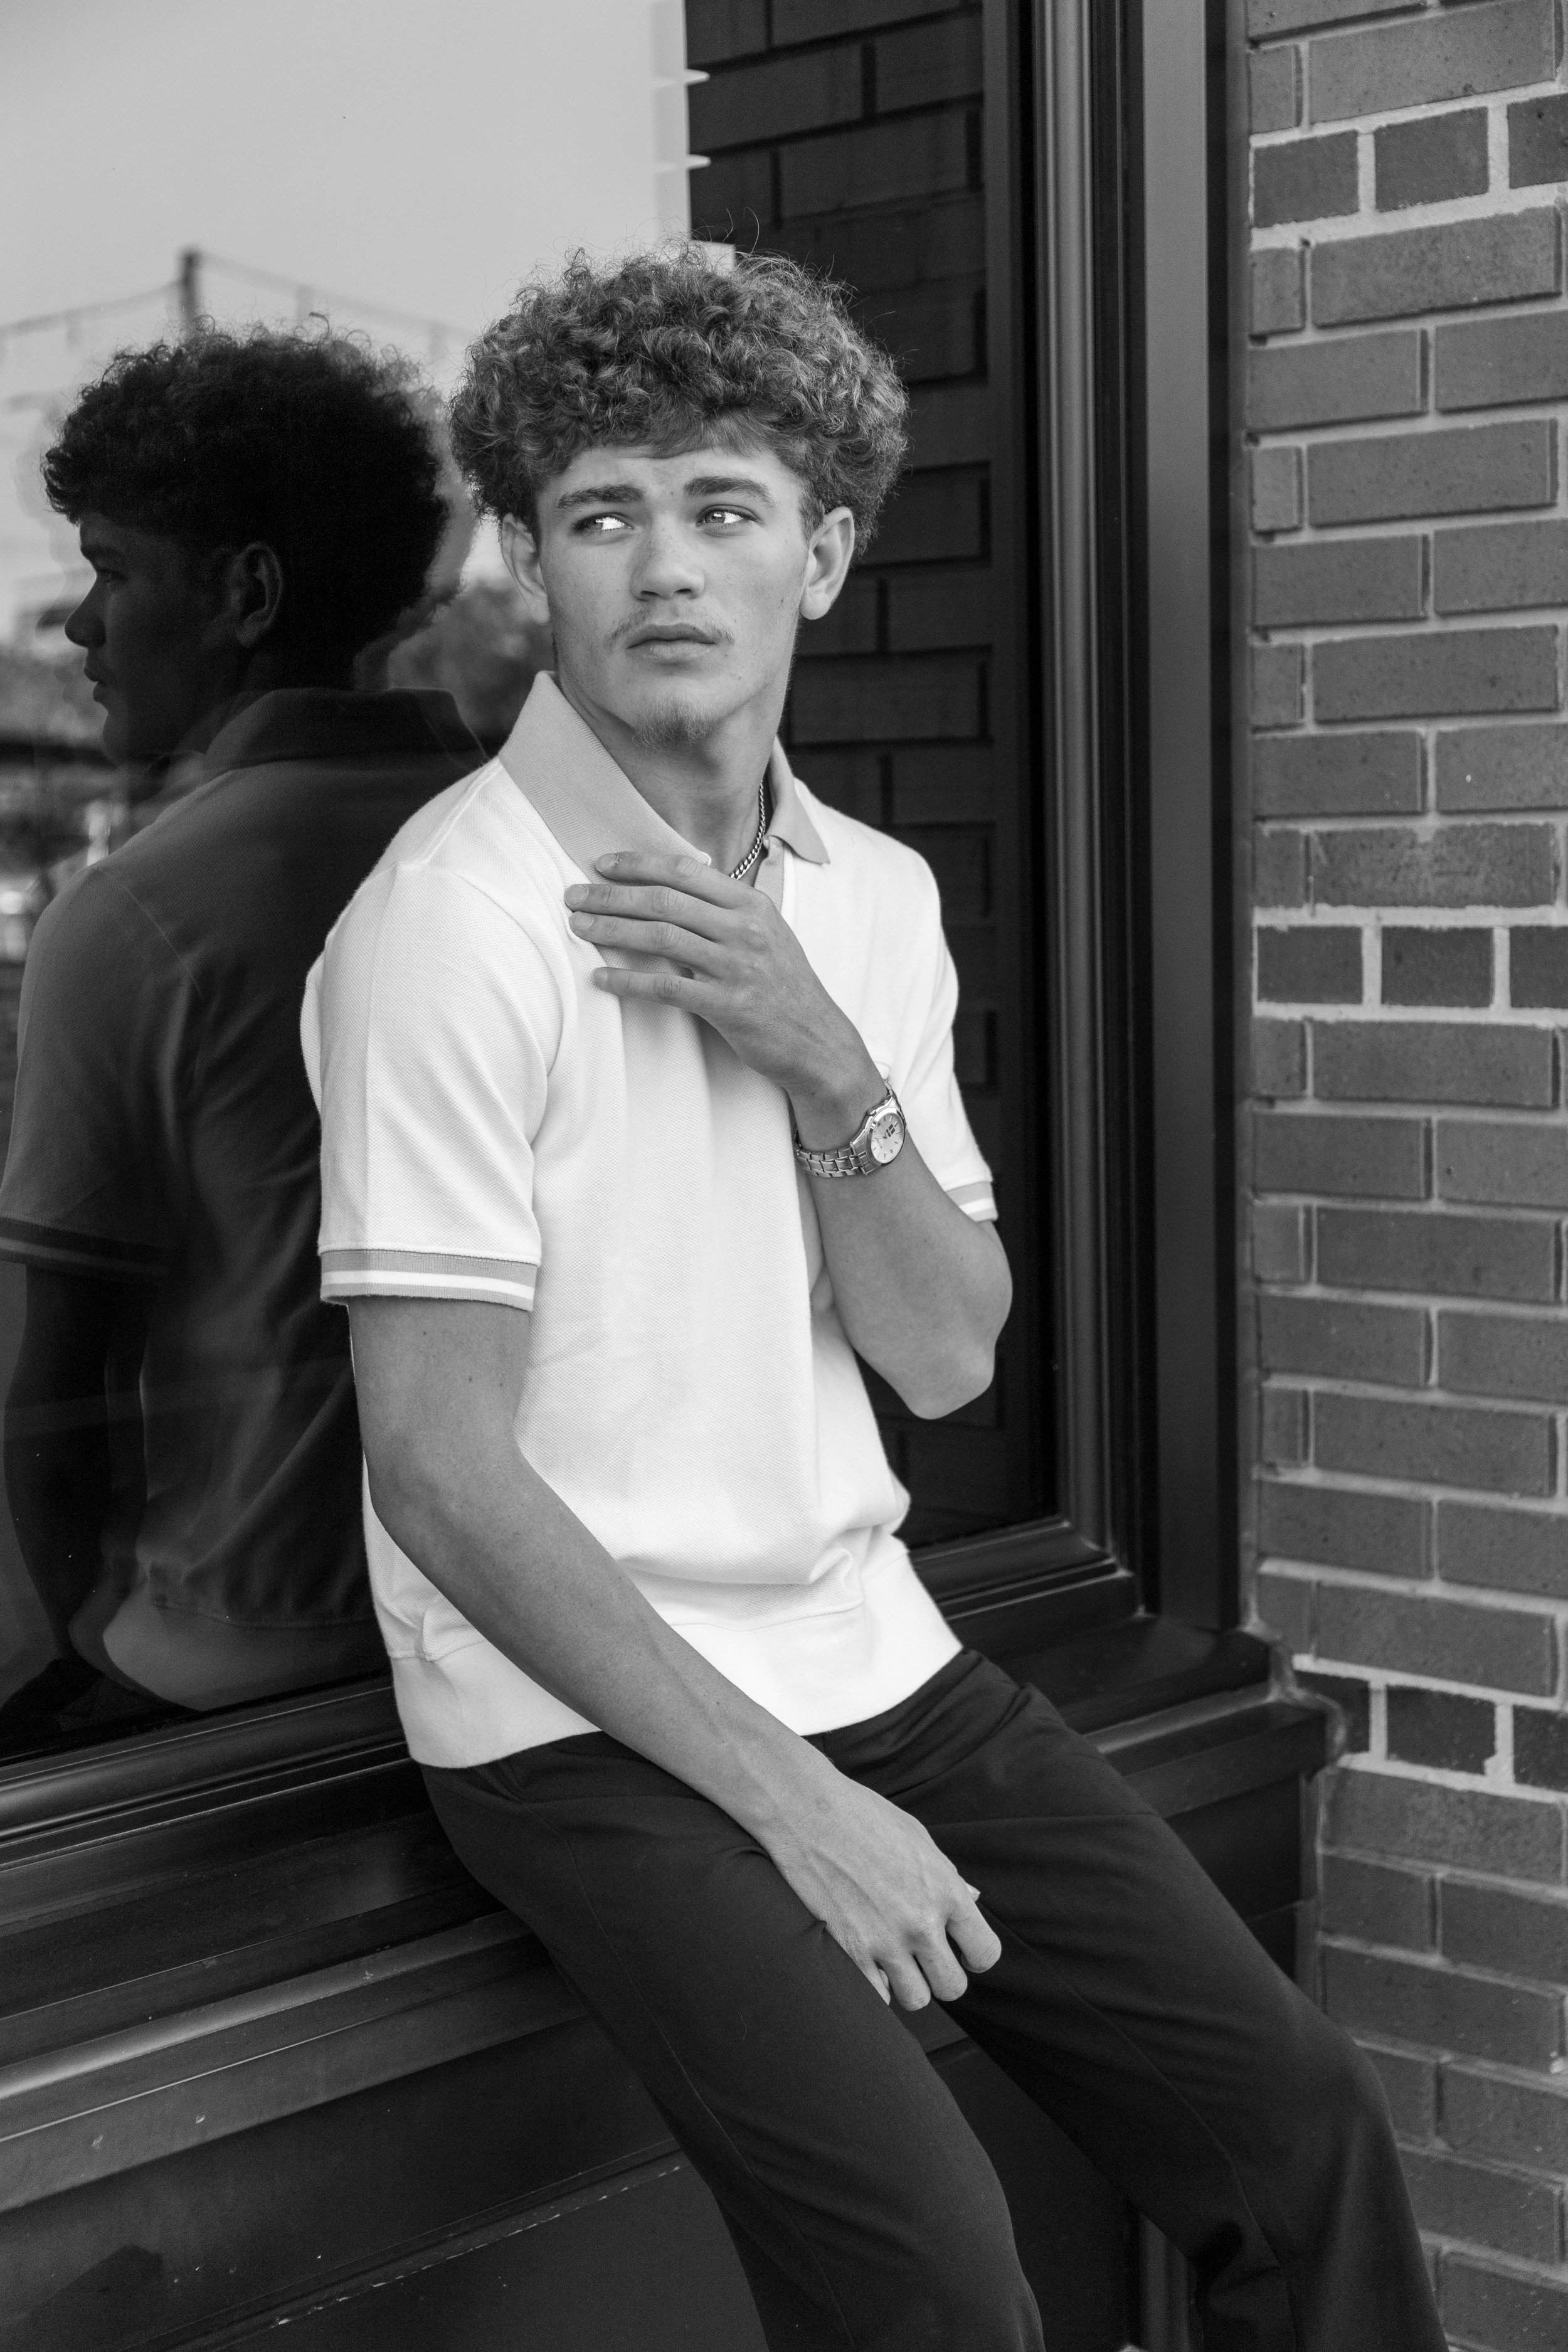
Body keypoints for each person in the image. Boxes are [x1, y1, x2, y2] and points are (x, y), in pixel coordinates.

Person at [307, 248, 1444, 2351]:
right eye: (600, 511)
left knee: (1297, 2133)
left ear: (821, 556)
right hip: (576, 1715)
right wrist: (800, 1809)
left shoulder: (872, 900)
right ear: (533, 568)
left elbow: (943, 1351)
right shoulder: (450, 928)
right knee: (933, 2286)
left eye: (722, 505)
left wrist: (824, 1058)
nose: (665, 563)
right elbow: (444, 1477)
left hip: (872, 1646)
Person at [0, 329, 482, 1748]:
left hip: (242, 1664)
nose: (80, 627)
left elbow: (55, 1387)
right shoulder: (536, 848)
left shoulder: (143, 914)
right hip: (532, 1642)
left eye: (112, 568)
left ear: (244, 593)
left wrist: (95, 1631)